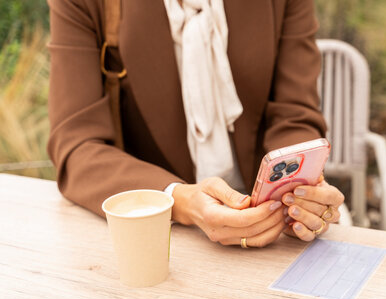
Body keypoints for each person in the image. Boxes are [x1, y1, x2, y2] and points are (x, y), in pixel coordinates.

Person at [47, 0, 344, 248]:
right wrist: (178, 199)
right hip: (161, 241)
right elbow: (76, 147)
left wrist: (296, 195)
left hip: (274, 234)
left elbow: (295, 112)